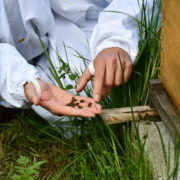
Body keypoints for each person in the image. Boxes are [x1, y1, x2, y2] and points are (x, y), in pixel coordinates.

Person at [0, 0, 157, 124]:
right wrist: (22, 81)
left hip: (92, 17)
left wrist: (115, 42)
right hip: (13, 46)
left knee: (95, 93)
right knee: (68, 104)